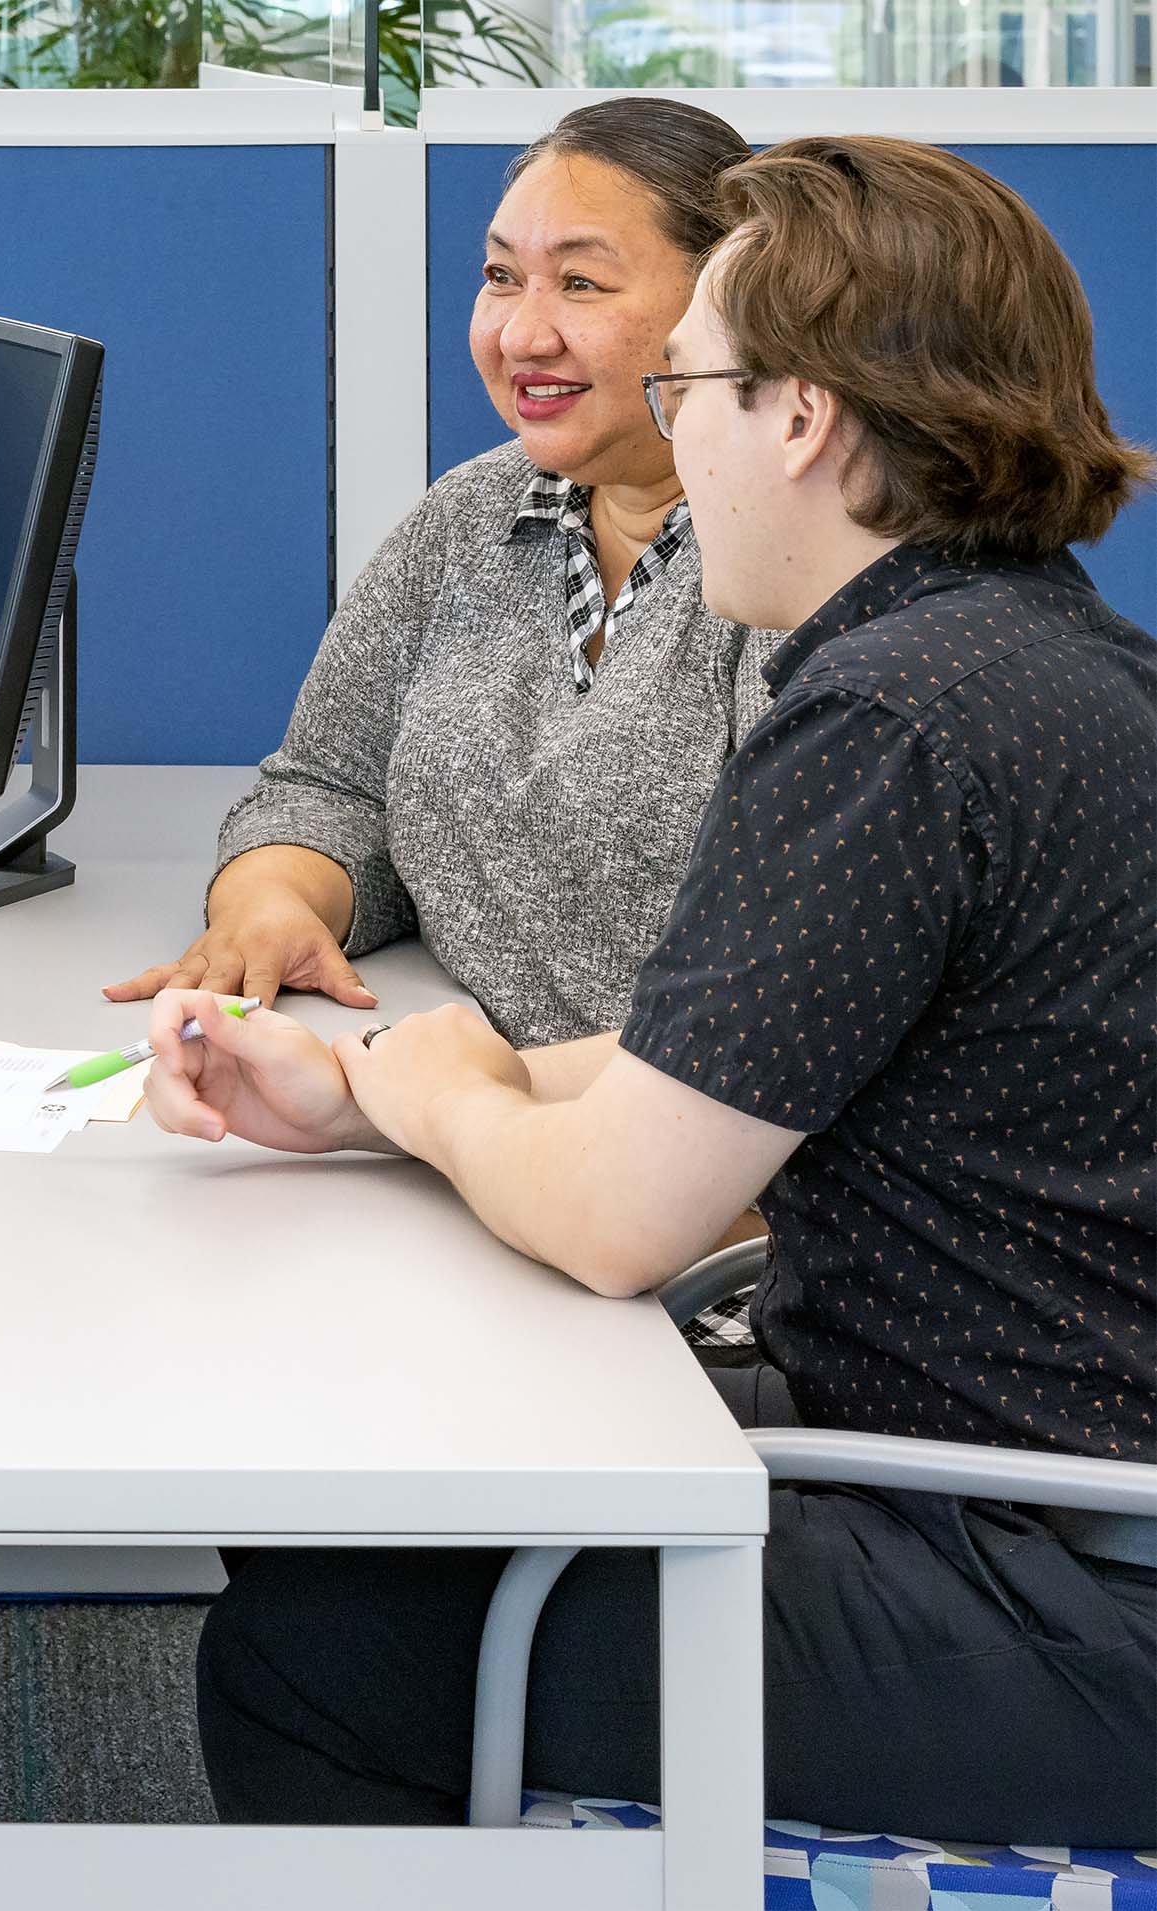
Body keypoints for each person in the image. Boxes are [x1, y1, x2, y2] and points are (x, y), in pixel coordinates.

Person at [149, 137, 1157, 1841]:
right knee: (369, 1476)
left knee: (319, 1642)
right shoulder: (1040, 656)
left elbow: (624, 1218)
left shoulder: (883, 725)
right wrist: (377, 1087)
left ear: (804, 418)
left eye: (689, 383)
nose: (675, 438)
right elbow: (757, 1051)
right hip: (1029, 1485)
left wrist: (448, 1089)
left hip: (1050, 1581)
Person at [112, 97, 771, 1054]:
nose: (520, 335)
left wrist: (440, 1107)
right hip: (470, 1095)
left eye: (581, 283)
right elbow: (330, 784)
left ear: (720, 306)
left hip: (685, 1154)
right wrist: (274, 899)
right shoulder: (475, 511)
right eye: (501, 277)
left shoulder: (785, 561)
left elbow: (780, 992)